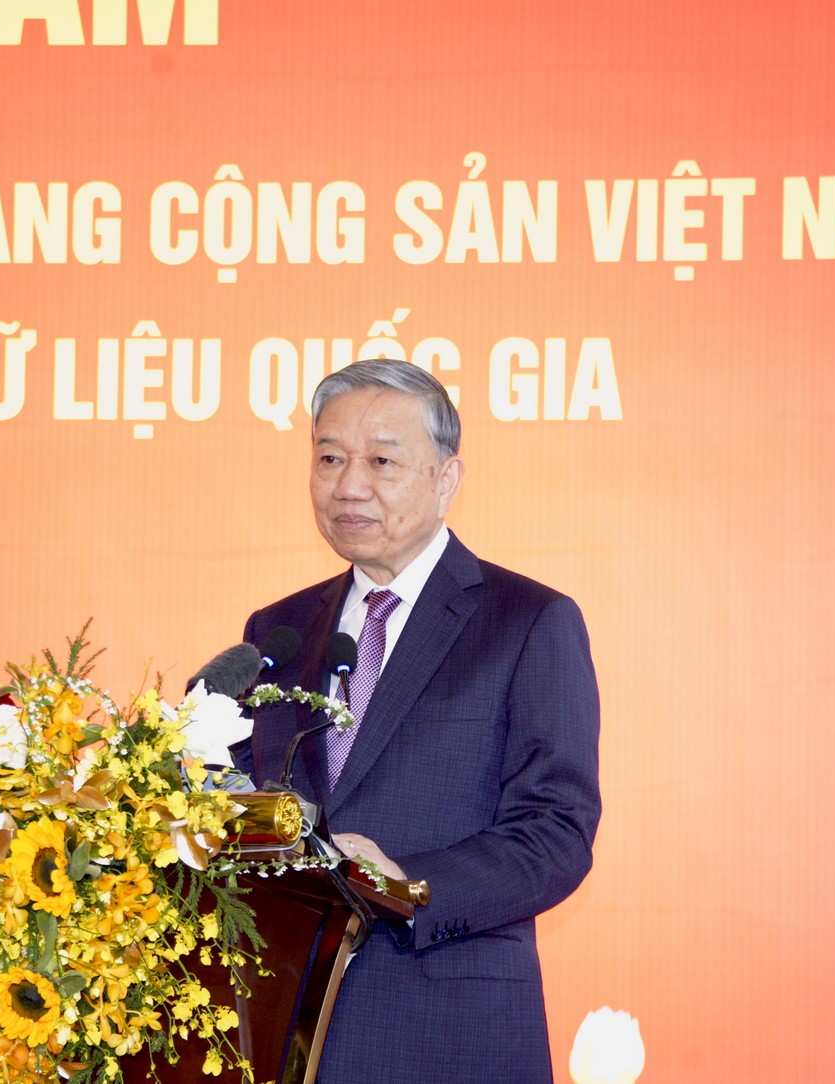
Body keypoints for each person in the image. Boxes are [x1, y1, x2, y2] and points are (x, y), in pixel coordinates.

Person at [237, 359, 601, 1084]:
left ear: (446, 478)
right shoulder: (277, 630)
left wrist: (406, 882)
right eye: (330, 458)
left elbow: (556, 833)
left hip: (445, 1032)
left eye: (381, 461)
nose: (349, 485)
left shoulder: (527, 621)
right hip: (282, 1033)